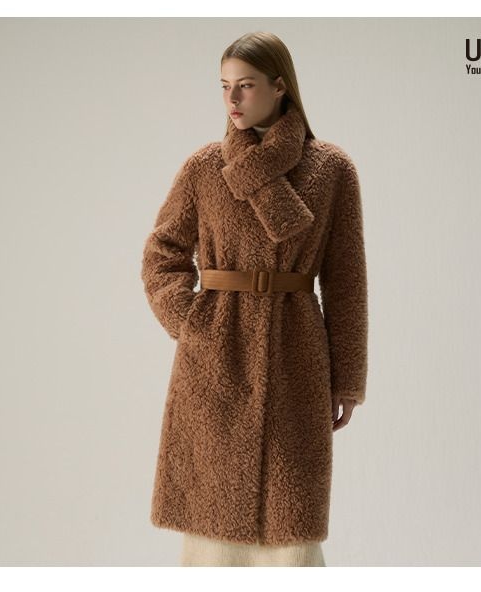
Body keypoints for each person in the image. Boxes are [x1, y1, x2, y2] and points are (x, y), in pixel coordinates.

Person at [141, 31, 368, 567]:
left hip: (296, 351)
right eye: (224, 86)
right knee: (212, 524)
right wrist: (194, 323)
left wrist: (347, 379)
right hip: (216, 353)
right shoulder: (204, 167)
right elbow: (161, 254)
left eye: (245, 85)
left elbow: (347, 282)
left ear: (280, 86)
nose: (233, 99)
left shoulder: (331, 169)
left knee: (293, 529)